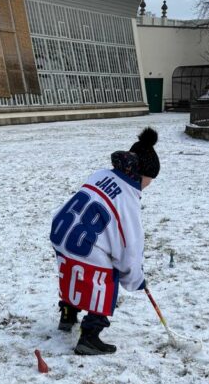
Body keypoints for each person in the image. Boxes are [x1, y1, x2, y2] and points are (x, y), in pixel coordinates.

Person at [50, 127, 160, 355]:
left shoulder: (101, 174)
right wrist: (136, 279)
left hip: (62, 231)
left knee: (73, 271)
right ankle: (89, 337)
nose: (149, 184)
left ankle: (68, 314)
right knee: (105, 278)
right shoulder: (128, 198)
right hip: (83, 242)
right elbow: (129, 250)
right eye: (150, 179)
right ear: (142, 174)